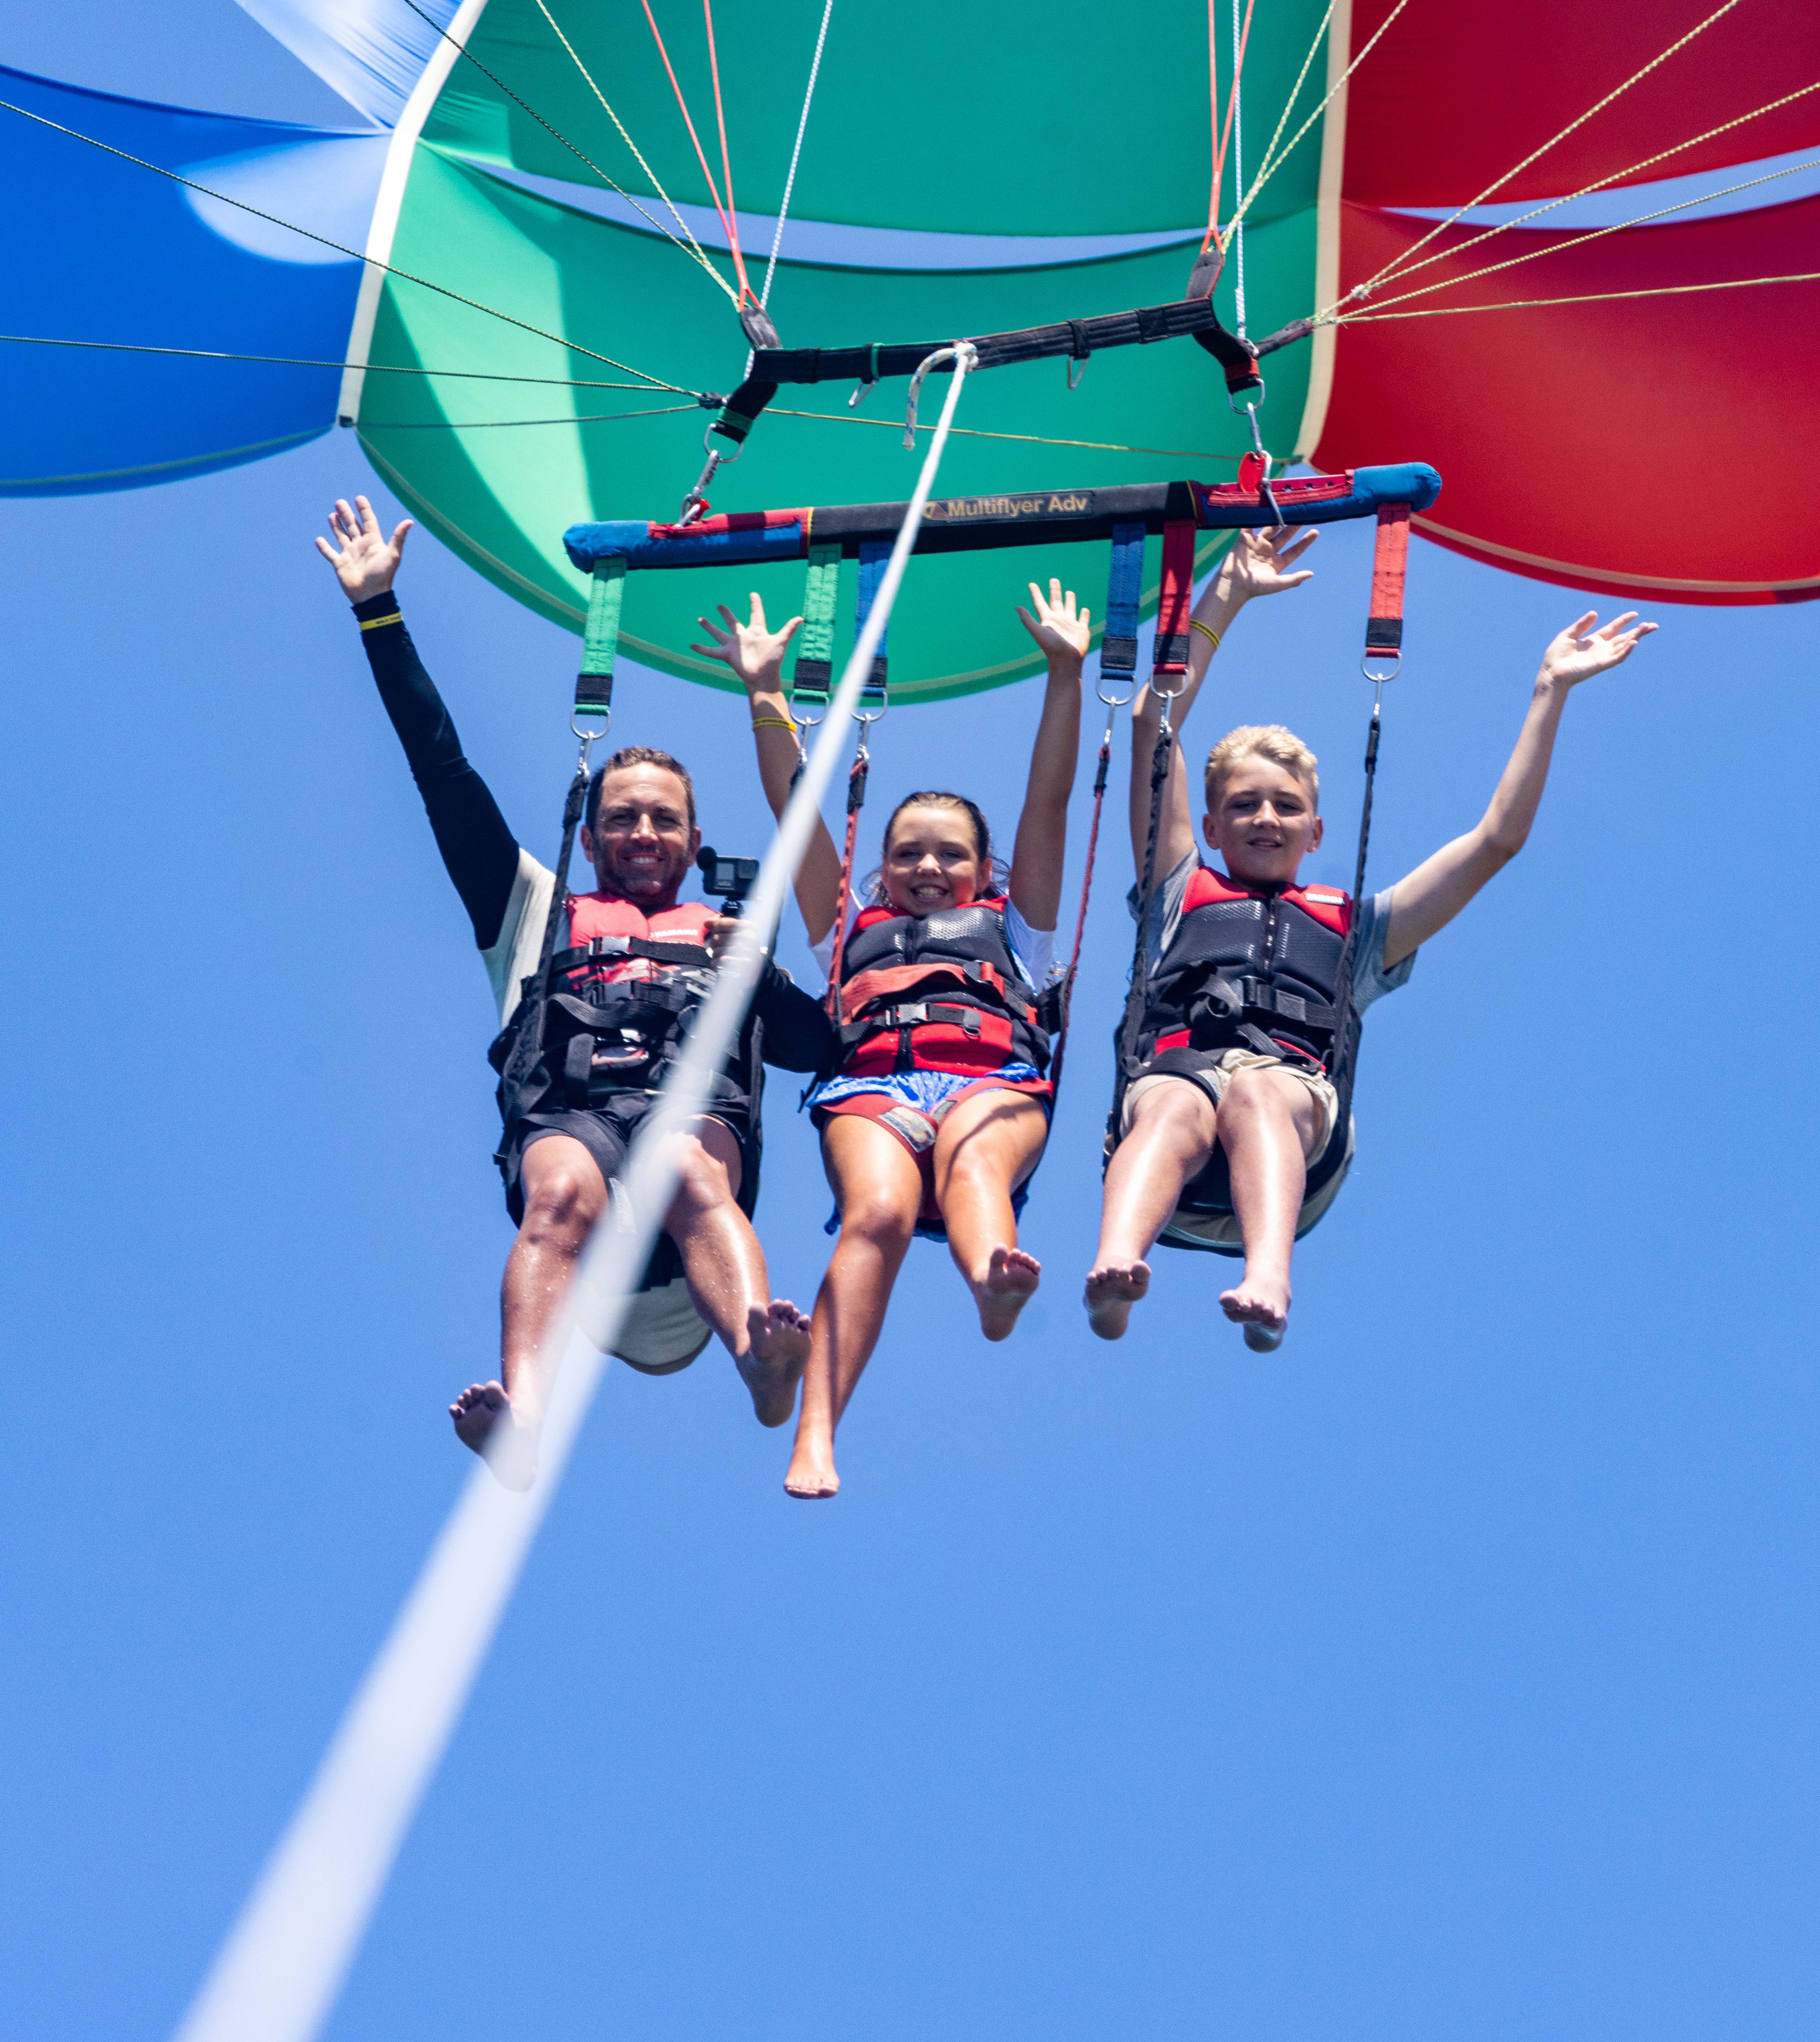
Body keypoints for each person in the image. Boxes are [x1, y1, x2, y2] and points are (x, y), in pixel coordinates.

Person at [707, 525, 1321, 1498]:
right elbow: (799, 814)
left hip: (995, 1082)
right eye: (907, 851)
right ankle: (814, 1437)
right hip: (872, 1086)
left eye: (949, 853)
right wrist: (765, 695)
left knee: (975, 1155)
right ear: (883, 865)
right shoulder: (844, 933)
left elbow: (1047, 801)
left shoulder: (1021, 934)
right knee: (872, 1212)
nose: (925, 867)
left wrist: (1065, 677)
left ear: (983, 871)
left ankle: (994, 1276)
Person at [315, 496, 829, 1489]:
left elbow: (821, 1048)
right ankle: (527, 1421)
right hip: (581, 1193)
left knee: (684, 1163)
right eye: (623, 819)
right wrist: (379, 610)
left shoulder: (728, 934)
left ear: (691, 840)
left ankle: (764, 1367)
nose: (643, 833)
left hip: (691, 1259)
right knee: (555, 1191)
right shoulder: (531, 909)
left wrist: (753, 970)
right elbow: (442, 772)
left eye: (664, 822)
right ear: (590, 838)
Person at [1084, 591, 1656, 1350]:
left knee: (1257, 1090)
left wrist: (1549, 692)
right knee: (1176, 1102)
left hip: (1292, 1117)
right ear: (1211, 825)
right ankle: (1116, 1266)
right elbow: (1153, 727)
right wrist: (1226, 600)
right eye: (1245, 804)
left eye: (1286, 807)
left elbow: (1495, 843)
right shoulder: (1176, 891)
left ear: (1315, 830)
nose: (1265, 818)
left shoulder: (1360, 930)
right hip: (1176, 1088)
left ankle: (1269, 1278)